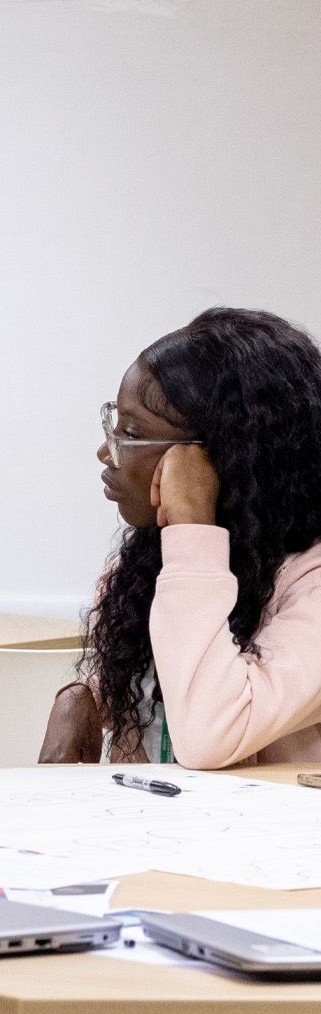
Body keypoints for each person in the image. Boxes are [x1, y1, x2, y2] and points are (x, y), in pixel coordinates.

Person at [41, 308, 321, 768]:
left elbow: (210, 735)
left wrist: (194, 525)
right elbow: (157, 687)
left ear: (221, 460)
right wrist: (81, 698)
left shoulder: (306, 584)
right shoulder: (150, 560)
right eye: (114, 424)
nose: (106, 451)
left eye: (131, 434)